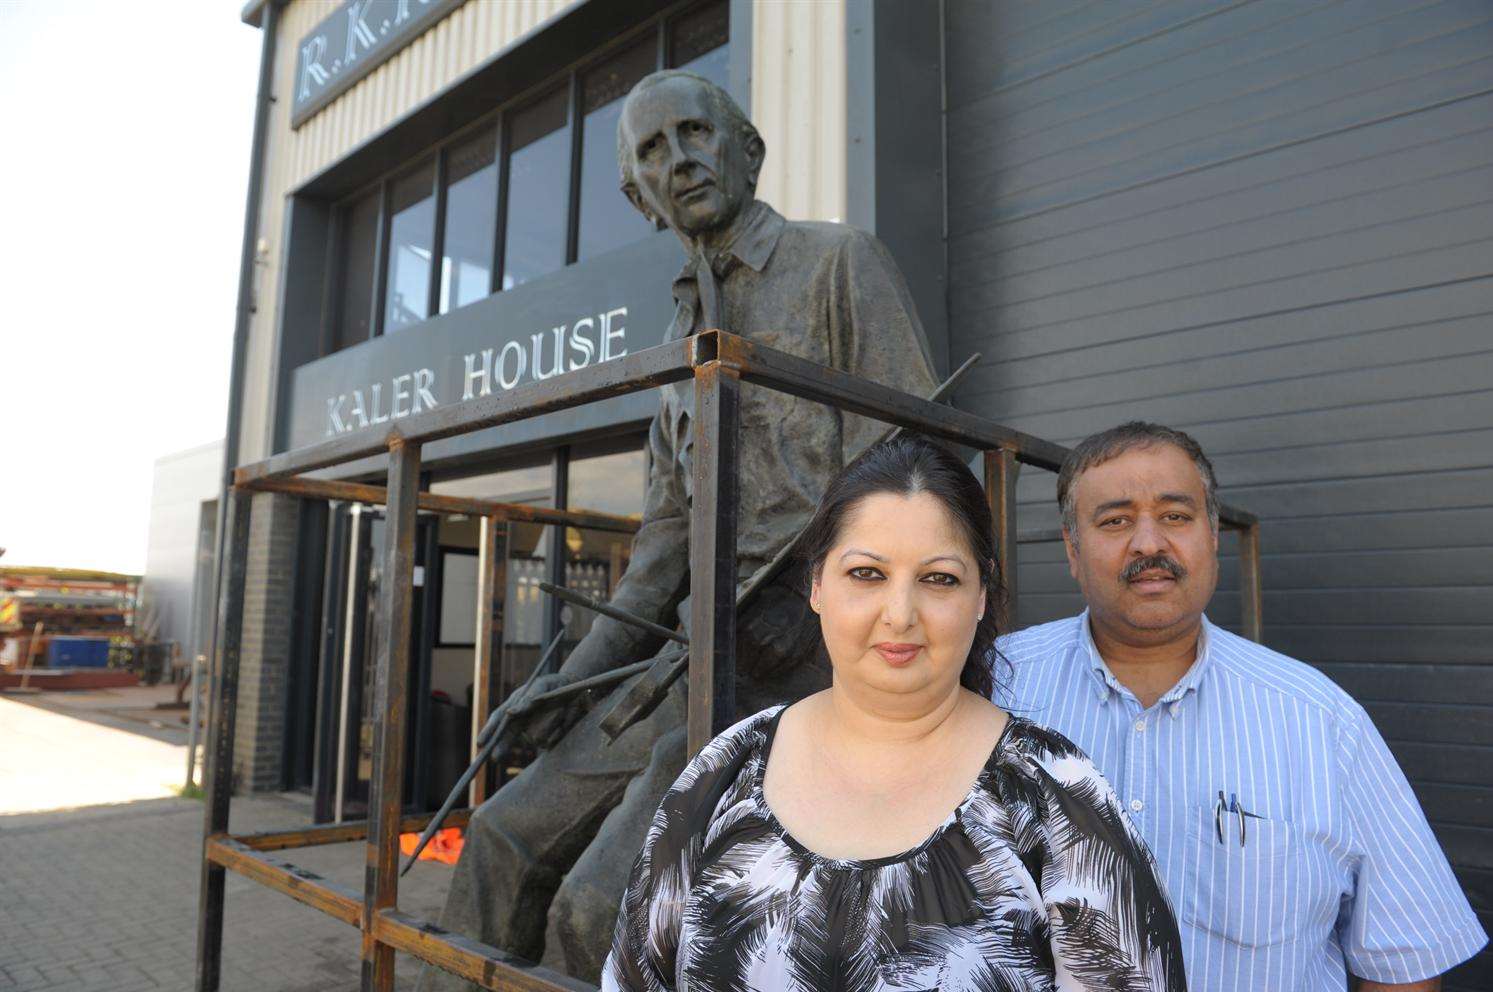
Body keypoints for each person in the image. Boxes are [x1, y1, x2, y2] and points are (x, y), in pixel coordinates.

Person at [422, 70, 938, 987]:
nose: (681, 159)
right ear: (639, 198)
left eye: (697, 132)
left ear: (748, 150)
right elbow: (663, 544)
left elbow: (917, 464)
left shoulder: (837, 264)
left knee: (599, 905)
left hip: (814, 656)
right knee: (498, 837)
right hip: (690, 654)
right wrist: (567, 687)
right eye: (654, 152)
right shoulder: (678, 343)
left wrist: (811, 597)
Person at [603, 435, 1187, 992]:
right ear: (816, 585)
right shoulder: (727, 769)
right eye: (867, 574)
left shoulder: (1055, 796)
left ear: (980, 597)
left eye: (938, 579)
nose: (900, 613)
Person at [996, 421, 1487, 991]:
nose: (1149, 543)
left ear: (1212, 537)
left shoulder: (1321, 721)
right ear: (1072, 550)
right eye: (1115, 520)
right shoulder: (994, 687)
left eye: (1176, 516)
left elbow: (1403, 964)